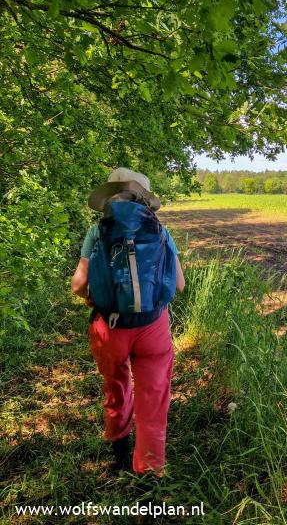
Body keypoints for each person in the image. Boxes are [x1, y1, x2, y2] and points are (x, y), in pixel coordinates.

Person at [71, 168, 185, 475]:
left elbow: (78, 285)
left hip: (110, 328)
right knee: (153, 399)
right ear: (144, 199)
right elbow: (179, 285)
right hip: (153, 327)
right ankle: (148, 477)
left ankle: (119, 456)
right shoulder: (160, 230)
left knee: (116, 387)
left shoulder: (98, 230)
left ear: (110, 195)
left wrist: (92, 300)